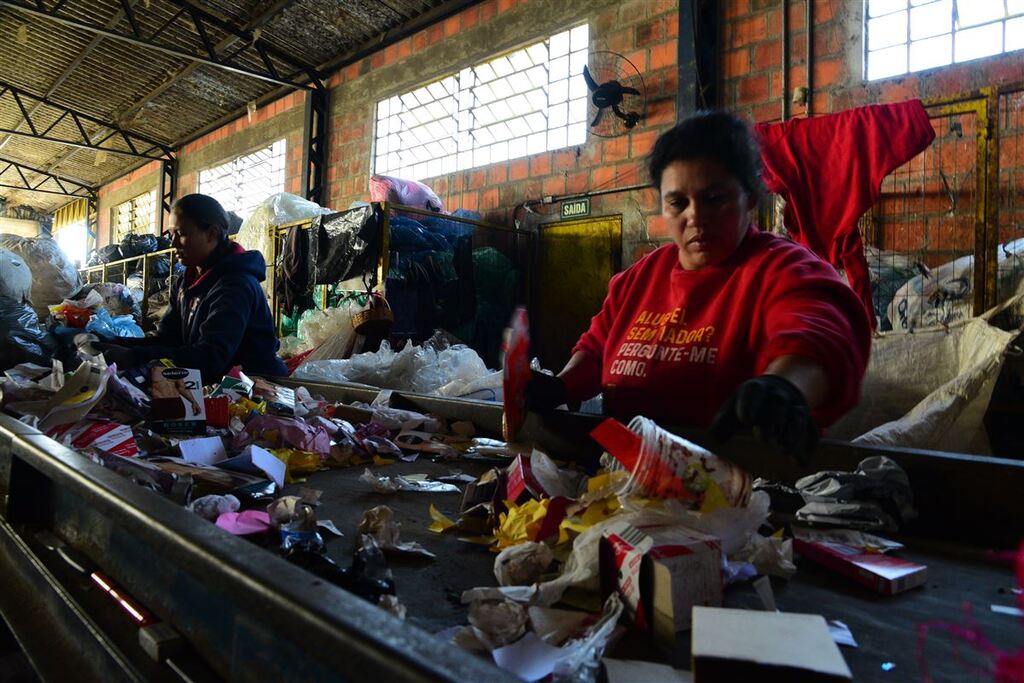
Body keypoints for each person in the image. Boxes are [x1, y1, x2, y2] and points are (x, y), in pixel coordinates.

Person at [527, 110, 871, 461]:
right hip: (624, 487)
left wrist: (785, 386)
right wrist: (560, 386)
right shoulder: (638, 280)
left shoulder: (784, 270)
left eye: (714, 198)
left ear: (750, 197)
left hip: (736, 496)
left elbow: (818, 335)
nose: (695, 217)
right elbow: (598, 349)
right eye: (678, 202)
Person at [99, 194, 287, 383]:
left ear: (211, 234)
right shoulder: (185, 281)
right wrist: (113, 342)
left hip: (256, 388)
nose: (173, 244)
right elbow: (169, 339)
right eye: (172, 234)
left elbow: (210, 358)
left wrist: (134, 357)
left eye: (181, 234)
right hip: (213, 382)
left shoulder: (236, 285)